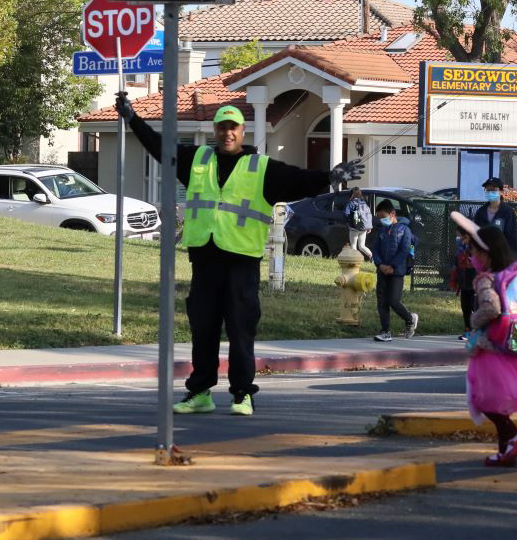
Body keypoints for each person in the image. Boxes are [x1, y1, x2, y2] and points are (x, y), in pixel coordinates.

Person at [117, 93, 361, 415]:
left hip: (241, 262)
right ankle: (200, 392)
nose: (227, 133)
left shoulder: (261, 168)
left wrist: (330, 177)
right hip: (205, 257)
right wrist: (132, 119)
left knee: (240, 329)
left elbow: (298, 179)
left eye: (233, 128)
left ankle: (242, 394)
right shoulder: (198, 160)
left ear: (241, 132)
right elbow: (161, 149)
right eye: (222, 127)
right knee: (203, 328)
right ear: (216, 130)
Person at [453, 214, 517, 466]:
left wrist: (474, 320)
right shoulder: (514, 272)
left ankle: (515, 436)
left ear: (486, 253)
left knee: (483, 399)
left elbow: (491, 308)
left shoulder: (486, 279)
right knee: (497, 402)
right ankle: (505, 451)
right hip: (513, 344)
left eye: (474, 251)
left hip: (491, 347)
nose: (472, 257)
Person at [371, 200, 418, 341]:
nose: (382, 220)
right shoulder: (382, 231)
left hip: (396, 272)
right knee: (382, 302)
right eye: (379, 218)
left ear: (392, 214)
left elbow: (404, 250)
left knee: (393, 301)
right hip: (382, 271)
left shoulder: (405, 230)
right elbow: (375, 249)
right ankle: (385, 331)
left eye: (383, 217)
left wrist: (392, 266)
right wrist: (380, 265)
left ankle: (410, 319)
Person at [471, 176, 517, 256]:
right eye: (488, 190)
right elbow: (476, 235)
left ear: (501, 192)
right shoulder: (480, 212)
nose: (490, 193)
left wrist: (510, 258)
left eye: (493, 190)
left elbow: (511, 238)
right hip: (484, 258)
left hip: (502, 257)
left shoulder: (508, 212)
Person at [345, 188, 373, 257]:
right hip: (364, 227)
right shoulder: (364, 203)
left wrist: (349, 221)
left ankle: (354, 261)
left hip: (354, 227)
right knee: (362, 246)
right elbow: (368, 215)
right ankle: (372, 257)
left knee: (353, 245)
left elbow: (346, 213)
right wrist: (369, 227)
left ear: (352, 194)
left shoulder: (351, 203)